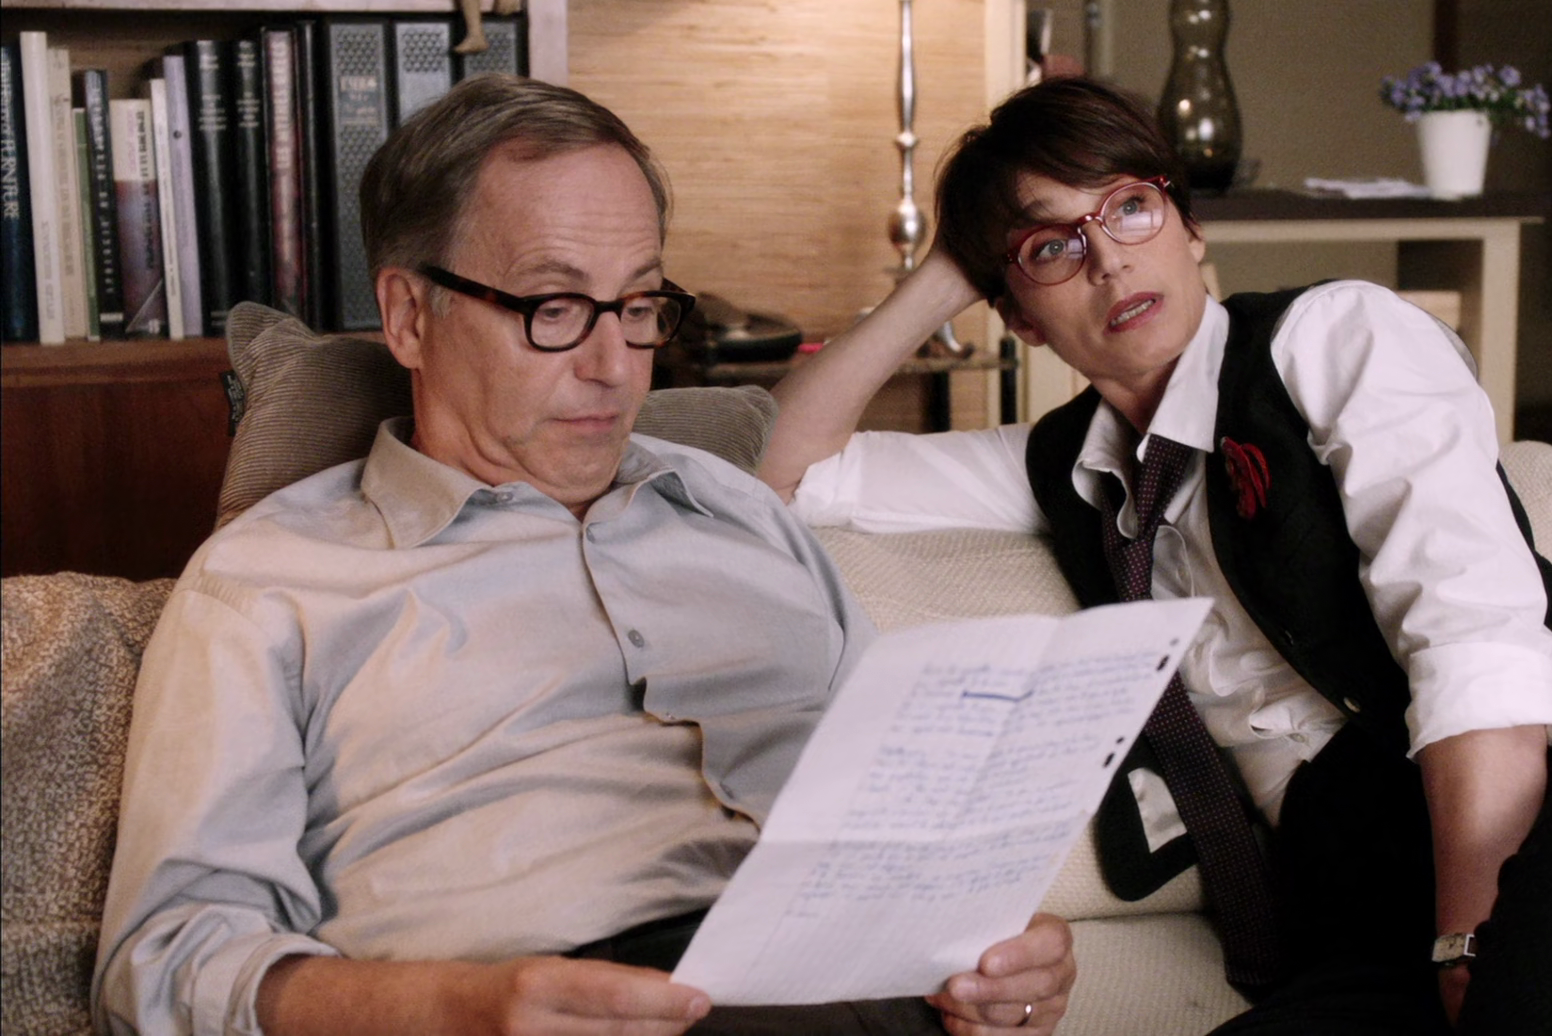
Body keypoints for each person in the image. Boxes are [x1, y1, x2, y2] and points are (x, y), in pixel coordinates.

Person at [759, 77, 1552, 1035]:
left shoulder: (1335, 339)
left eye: (1130, 206)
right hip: (1375, 917)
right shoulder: (1062, 467)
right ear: (1021, 317)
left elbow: (1472, 640)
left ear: (1189, 227)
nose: (1109, 258)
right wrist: (949, 267)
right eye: (1054, 247)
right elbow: (782, 474)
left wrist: (1469, 940)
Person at [91, 74, 1074, 1036]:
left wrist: (996, 960)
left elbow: (915, 811)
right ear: (408, 316)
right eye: (554, 308)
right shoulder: (269, 583)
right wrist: (456, 1009)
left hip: (858, 986)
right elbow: (164, 965)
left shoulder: (739, 508)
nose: (614, 367)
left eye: (639, 306)